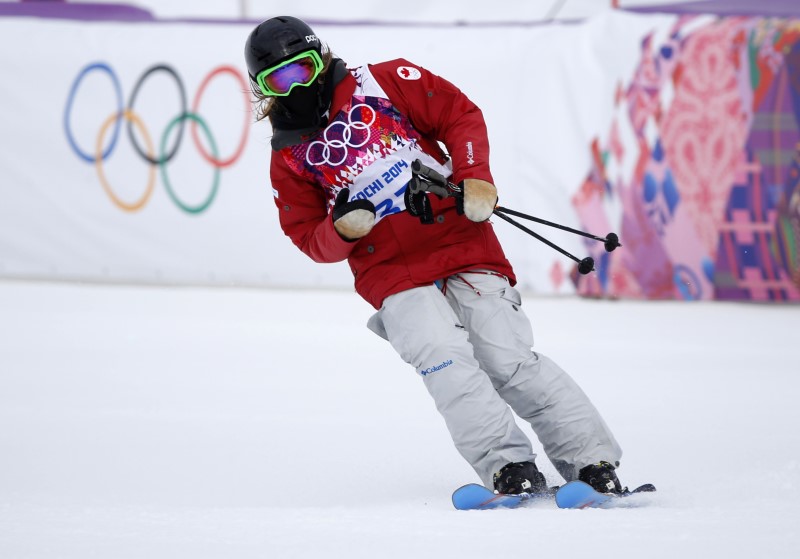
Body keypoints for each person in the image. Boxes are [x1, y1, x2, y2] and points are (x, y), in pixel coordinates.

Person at [244, 16, 625, 495]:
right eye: (278, 80)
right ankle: (507, 467)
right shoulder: (288, 155)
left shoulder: (384, 81)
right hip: (391, 273)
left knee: (507, 358)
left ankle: (591, 462)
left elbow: (459, 115)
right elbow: (306, 235)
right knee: (444, 360)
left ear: (321, 58)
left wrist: (475, 175)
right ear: (263, 90)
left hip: (462, 244)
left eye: (302, 67)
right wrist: (341, 230)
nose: (295, 85)